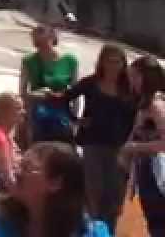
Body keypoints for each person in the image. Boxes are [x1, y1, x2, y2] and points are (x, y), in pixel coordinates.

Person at [65, 44, 135, 232]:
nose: (113, 65)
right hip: (93, 144)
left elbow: (138, 115)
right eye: (109, 61)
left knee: (114, 195)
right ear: (101, 62)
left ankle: (108, 232)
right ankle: (93, 231)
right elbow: (66, 97)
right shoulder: (90, 83)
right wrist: (76, 120)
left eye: (118, 61)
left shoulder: (129, 88)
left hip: (120, 148)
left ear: (123, 64)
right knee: (93, 192)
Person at [0, 142, 111, 237]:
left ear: (55, 183)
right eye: (18, 166)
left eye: (26, 168)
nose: (16, 173)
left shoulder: (93, 233)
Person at [121, 55, 165, 236]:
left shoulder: (156, 107)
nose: (131, 81)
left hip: (157, 175)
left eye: (134, 76)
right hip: (146, 173)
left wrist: (133, 147)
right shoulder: (144, 105)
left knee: (159, 224)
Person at [20, 24, 78, 145]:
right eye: (37, 42)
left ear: (52, 37)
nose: (40, 45)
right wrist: (39, 94)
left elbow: (75, 92)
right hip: (38, 114)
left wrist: (74, 118)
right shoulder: (29, 61)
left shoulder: (70, 61)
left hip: (63, 114)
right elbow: (23, 92)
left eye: (43, 39)